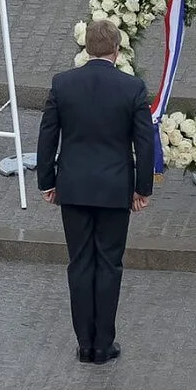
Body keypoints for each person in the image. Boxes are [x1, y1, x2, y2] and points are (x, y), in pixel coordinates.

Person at [36, 19, 154, 365]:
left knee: (80, 263)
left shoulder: (63, 84)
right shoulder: (132, 88)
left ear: (86, 49)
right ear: (117, 50)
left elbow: (47, 137)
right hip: (116, 190)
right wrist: (141, 188)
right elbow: (144, 144)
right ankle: (104, 343)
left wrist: (48, 180)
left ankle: (83, 342)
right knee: (109, 264)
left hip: (72, 188)